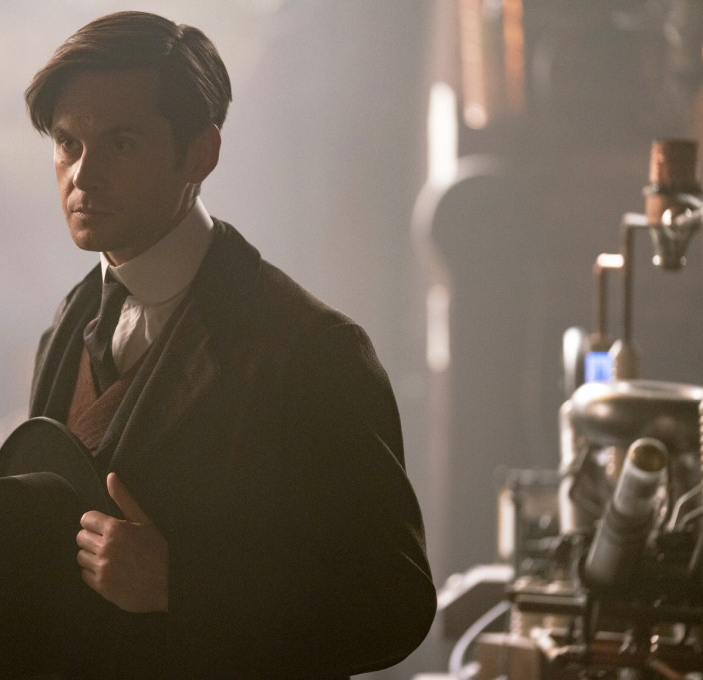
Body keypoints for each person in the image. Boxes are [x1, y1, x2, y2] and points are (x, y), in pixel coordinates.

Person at [23, 10, 435, 678]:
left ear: (200, 154)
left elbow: (394, 603)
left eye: (121, 143)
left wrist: (179, 585)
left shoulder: (313, 351)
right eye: (67, 143)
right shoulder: (67, 326)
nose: (83, 174)